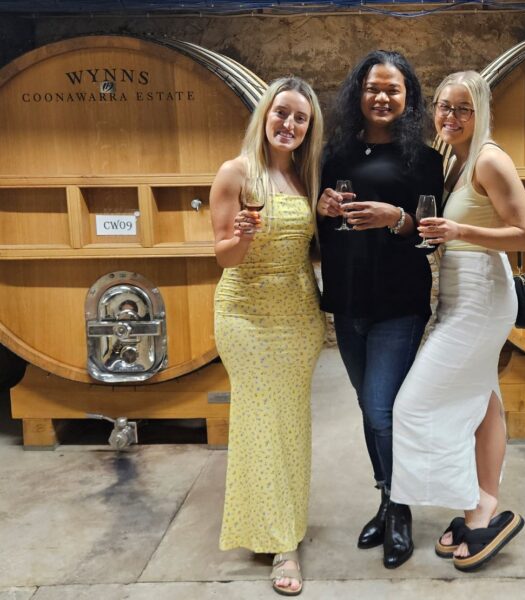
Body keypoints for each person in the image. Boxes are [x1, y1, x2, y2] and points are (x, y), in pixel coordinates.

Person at [391, 70, 525, 572]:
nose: (449, 116)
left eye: (462, 108)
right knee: (485, 403)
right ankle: (484, 506)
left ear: (480, 112)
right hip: (461, 294)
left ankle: (469, 498)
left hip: (482, 298)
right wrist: (444, 236)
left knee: (413, 403)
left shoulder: (491, 159)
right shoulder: (455, 157)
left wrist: (459, 229)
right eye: (442, 106)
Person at [315, 50, 444, 569]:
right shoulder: (336, 156)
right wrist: (323, 210)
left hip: (397, 303)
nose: (382, 97)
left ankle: (401, 511)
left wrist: (397, 219)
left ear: (407, 96)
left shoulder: (424, 160)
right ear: (358, 94)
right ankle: (387, 497)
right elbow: (323, 233)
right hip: (347, 302)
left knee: (381, 409)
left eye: (393, 89)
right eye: (373, 88)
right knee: (370, 411)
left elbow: (430, 239)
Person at [211, 76, 325, 596]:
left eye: (300, 118)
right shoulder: (235, 173)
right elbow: (224, 256)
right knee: (259, 416)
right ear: (265, 114)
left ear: (309, 128)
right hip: (246, 313)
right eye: (282, 113)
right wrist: (240, 237)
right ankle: (282, 541)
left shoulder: (308, 177)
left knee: (289, 420)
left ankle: (278, 521)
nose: (290, 124)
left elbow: (313, 251)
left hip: (298, 314)